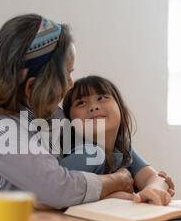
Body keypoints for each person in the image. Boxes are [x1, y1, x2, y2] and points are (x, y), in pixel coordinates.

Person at [0, 14, 135, 212]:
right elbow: (58, 189)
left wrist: (150, 178)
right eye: (67, 74)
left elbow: (100, 145)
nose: (71, 83)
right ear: (32, 87)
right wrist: (115, 181)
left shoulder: (47, 115)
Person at [61, 75, 175, 205]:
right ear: (69, 122)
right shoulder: (87, 154)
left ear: (122, 109)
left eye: (101, 98)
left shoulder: (122, 147)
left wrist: (154, 188)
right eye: (81, 103)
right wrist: (110, 197)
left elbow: (154, 178)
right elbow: (54, 192)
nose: (93, 107)